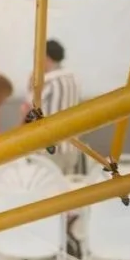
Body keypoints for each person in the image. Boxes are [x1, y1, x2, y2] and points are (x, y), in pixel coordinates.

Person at [38, 39, 86, 174]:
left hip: (50, 147)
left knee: (50, 189)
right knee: (66, 185)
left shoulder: (48, 82)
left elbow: (31, 110)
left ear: (45, 57)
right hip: (71, 146)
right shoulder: (74, 79)